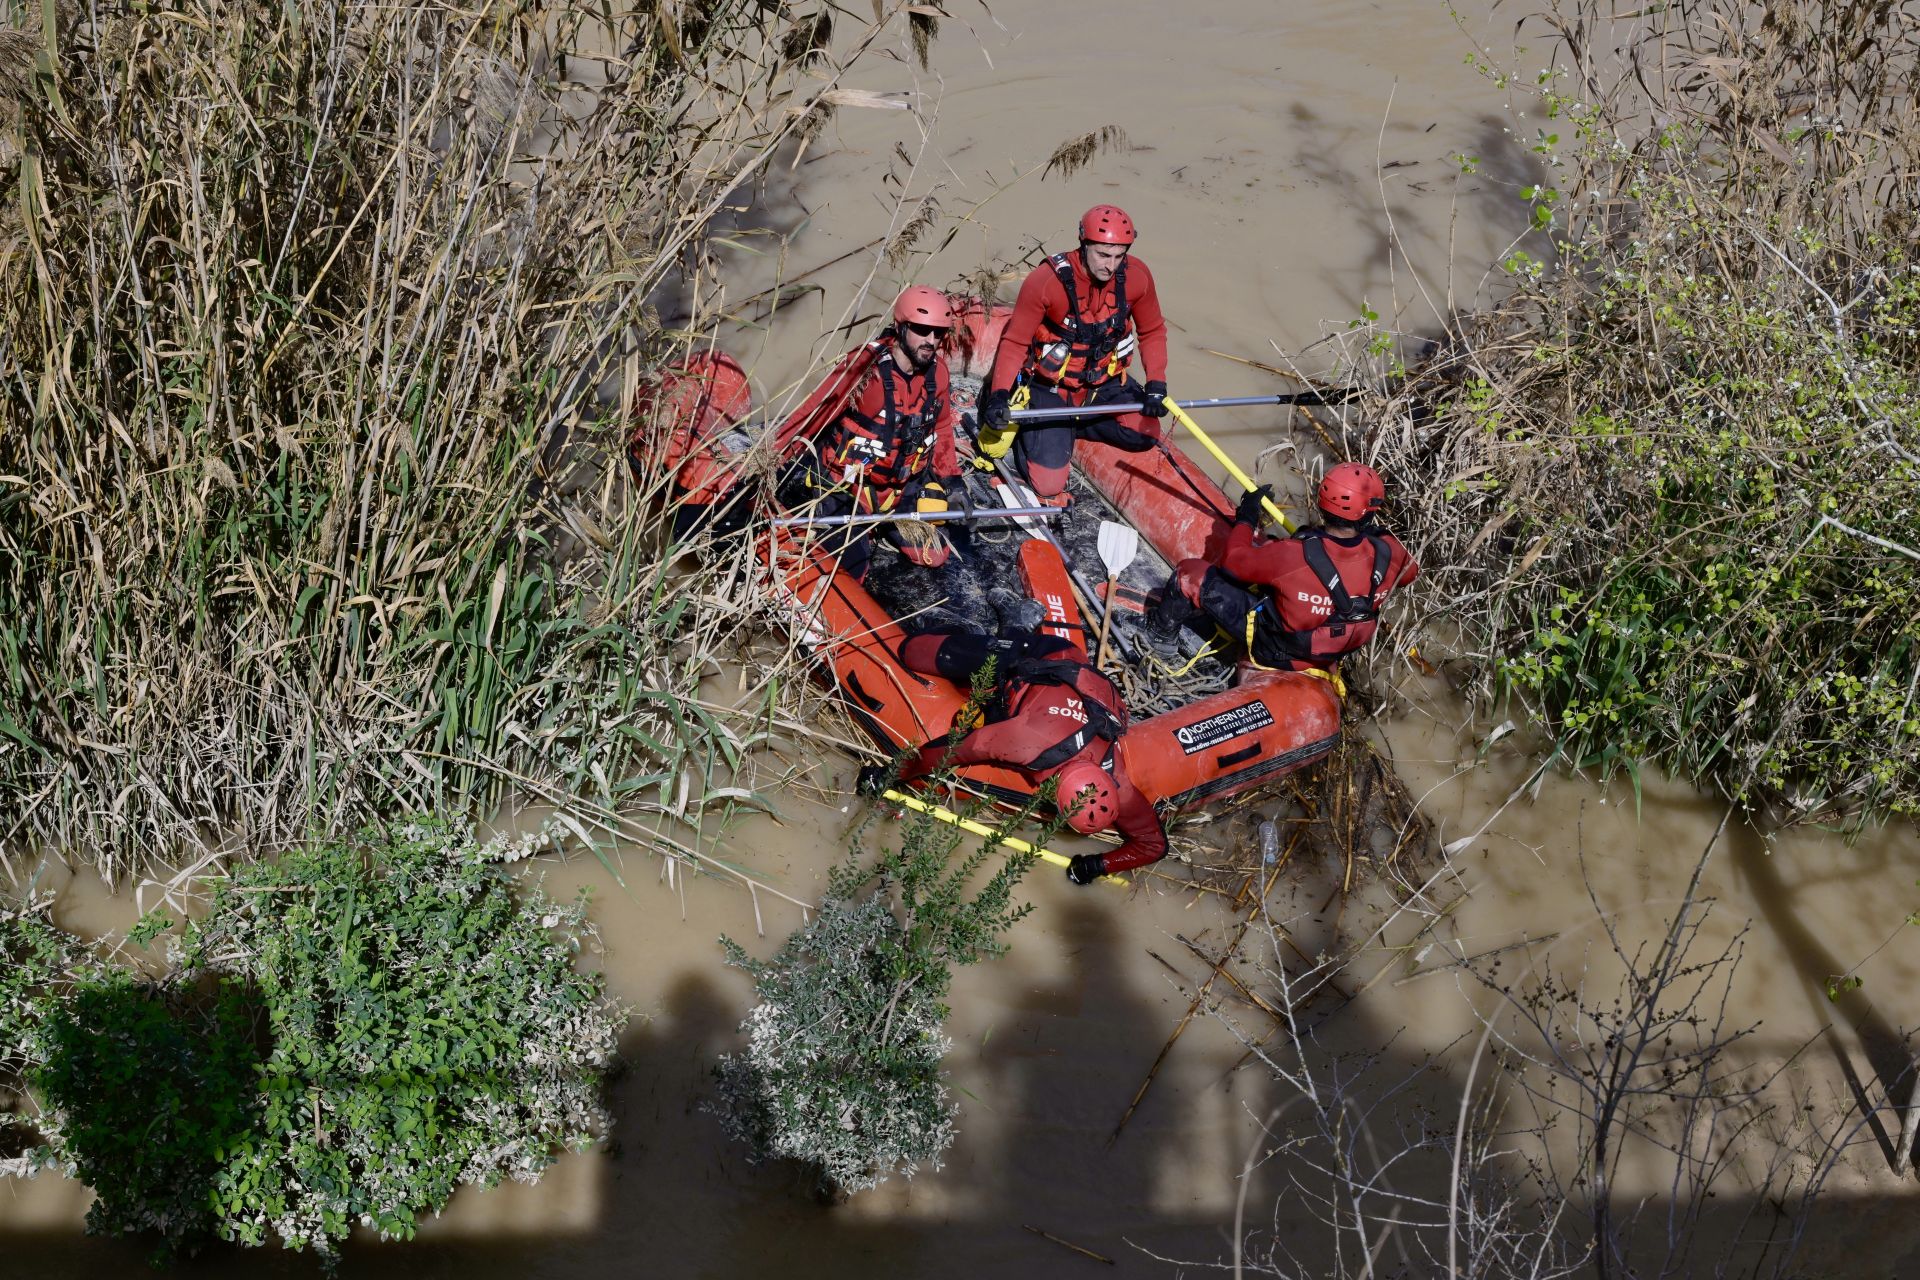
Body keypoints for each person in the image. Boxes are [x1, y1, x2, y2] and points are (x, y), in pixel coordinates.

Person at [857, 597, 1167, 884]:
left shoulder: (1117, 781)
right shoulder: (1024, 741)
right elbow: (946, 751)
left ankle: (1011, 630)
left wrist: (1098, 866)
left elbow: (1153, 845)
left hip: (1064, 680)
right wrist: (887, 777)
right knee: (911, 650)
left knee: (991, 702)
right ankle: (1004, 626)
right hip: (1044, 657)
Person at [974, 205, 1170, 506]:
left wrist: (1156, 383)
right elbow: (1014, 342)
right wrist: (1000, 395)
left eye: (1119, 256)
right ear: (1083, 245)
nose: (1111, 266)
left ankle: (1068, 427)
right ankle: (1044, 429)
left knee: (1144, 434)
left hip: (1103, 384)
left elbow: (1153, 330)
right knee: (1048, 484)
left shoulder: (1137, 277)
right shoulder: (1046, 281)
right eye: (1103, 255)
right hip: (1052, 387)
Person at [1148, 462, 1420, 675]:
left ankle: (1160, 640)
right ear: (1369, 512)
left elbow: (1233, 564)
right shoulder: (1391, 554)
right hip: (1330, 648)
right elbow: (1411, 572)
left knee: (1188, 575)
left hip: (1277, 649)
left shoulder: (1292, 555)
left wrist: (1247, 518)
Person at [778, 286, 963, 581]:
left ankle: (881, 524)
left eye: (938, 333)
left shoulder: (937, 373)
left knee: (933, 554)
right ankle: (857, 530)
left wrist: (952, 480)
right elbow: (810, 415)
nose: (931, 341)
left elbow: (940, 426)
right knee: (851, 571)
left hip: (898, 489)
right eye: (922, 330)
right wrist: (769, 461)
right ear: (901, 327)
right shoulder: (866, 368)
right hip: (846, 485)